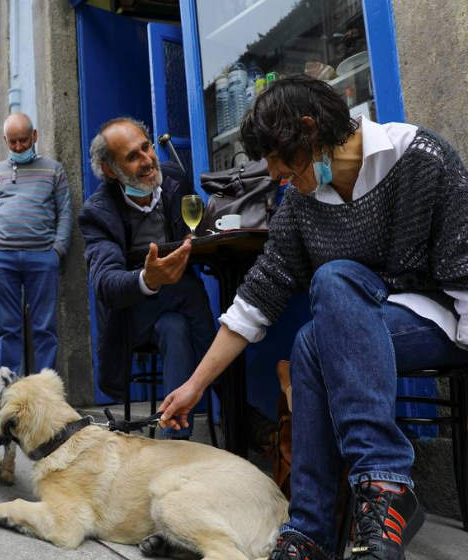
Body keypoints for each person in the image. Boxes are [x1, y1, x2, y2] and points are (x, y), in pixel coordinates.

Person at [159, 75, 468, 560]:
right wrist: (195, 386)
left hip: (444, 320)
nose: (278, 177)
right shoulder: (301, 205)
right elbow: (255, 300)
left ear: (310, 129)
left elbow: (463, 264)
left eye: (284, 163)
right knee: (309, 340)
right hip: (363, 326)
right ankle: (311, 531)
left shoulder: (421, 157)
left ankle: (379, 485)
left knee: (333, 279)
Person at [78, 117, 215, 439]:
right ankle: (228, 390)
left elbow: (196, 234)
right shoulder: (97, 212)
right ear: (110, 170)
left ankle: (173, 445)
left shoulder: (174, 183)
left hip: (173, 313)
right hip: (131, 316)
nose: (147, 160)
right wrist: (148, 279)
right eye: (132, 156)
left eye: (146, 147)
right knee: (185, 289)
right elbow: (106, 284)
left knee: (176, 327)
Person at [0, 113, 72, 374]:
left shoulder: (54, 170)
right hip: (0, 258)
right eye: (13, 142)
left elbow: (65, 212)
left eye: (24, 141)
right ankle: (7, 391)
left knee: (44, 328)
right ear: (5, 140)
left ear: (35, 136)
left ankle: (44, 391)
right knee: (8, 328)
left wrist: (57, 251)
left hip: (42, 257)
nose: (18, 147)